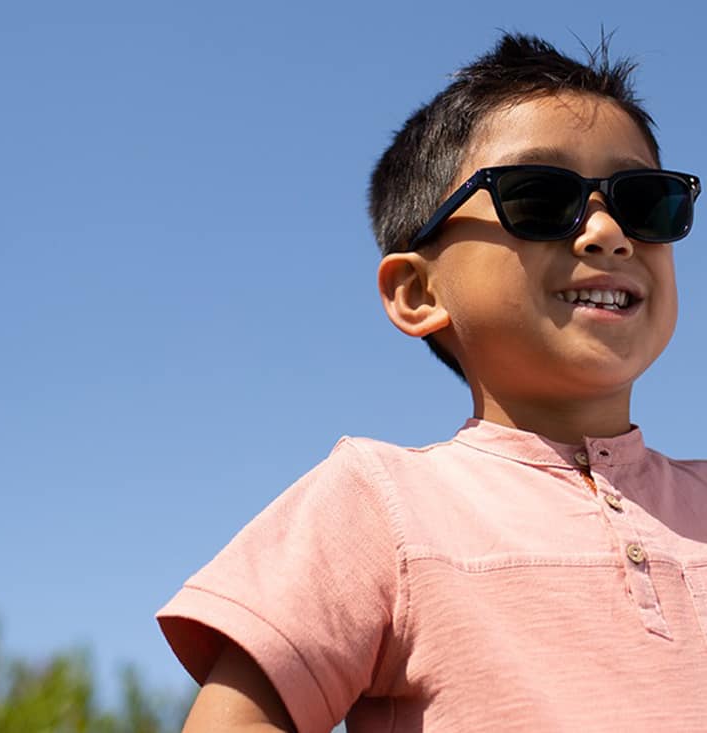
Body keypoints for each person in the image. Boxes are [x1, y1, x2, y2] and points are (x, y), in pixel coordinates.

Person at [157, 32, 707, 732]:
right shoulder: (378, 505)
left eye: (645, 202)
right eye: (539, 198)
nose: (606, 231)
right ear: (418, 291)